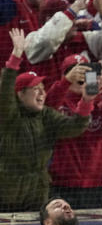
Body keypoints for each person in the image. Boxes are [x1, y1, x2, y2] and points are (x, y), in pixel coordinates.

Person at [1, 28, 93, 212]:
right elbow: (5, 92)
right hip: (6, 192)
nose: (42, 92)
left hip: (37, 191)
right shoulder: (9, 115)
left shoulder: (47, 115)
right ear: (20, 94)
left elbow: (75, 127)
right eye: (35, 88)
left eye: (43, 87)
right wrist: (16, 55)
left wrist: (87, 101)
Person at [45, 54, 102, 209]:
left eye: (85, 71)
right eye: (74, 71)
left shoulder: (101, 100)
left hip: (94, 185)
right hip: (60, 185)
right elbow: (46, 108)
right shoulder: (58, 98)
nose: (80, 75)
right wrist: (65, 82)